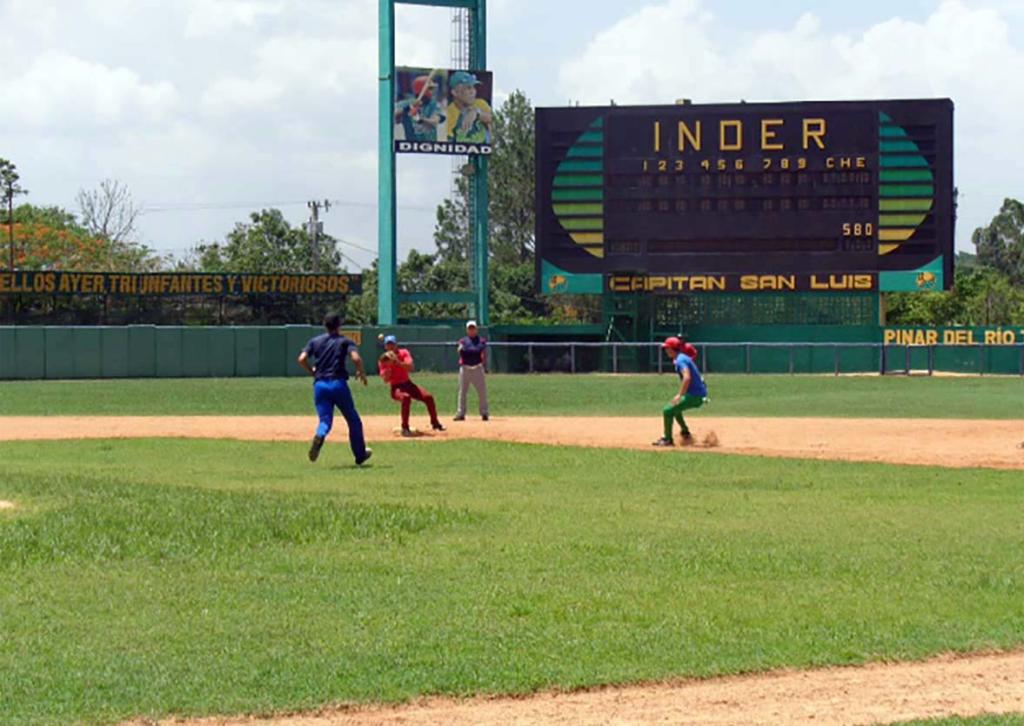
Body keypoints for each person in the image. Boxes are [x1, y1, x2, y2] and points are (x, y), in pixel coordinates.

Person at [297, 313, 372, 465]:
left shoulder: (315, 341)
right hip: (338, 384)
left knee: (325, 420)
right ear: (339, 326)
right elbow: (356, 358)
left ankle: (320, 434)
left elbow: (302, 359)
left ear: (325, 325)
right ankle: (360, 455)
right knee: (353, 420)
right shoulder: (345, 341)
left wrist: (312, 372)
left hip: (320, 385)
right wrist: (361, 371)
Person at [378, 334, 446, 436]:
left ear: (396, 345)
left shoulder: (403, 353)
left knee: (428, 397)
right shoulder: (383, 359)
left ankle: (435, 423)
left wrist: (397, 362)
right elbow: (386, 380)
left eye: (392, 344)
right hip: (396, 387)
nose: (390, 346)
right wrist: (389, 366)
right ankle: (405, 428)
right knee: (406, 398)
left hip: (408, 384)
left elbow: (410, 367)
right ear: (385, 347)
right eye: (388, 345)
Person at [653, 337, 708, 447]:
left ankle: (667, 439)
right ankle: (685, 432)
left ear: (672, 349)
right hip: (698, 394)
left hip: (695, 396)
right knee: (675, 408)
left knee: (667, 410)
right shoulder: (682, 358)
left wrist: (680, 394)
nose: (665, 351)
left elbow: (687, 377)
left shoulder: (680, 360)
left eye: (667, 348)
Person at [454, 320, 489, 421]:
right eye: (470, 328)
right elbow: (460, 349)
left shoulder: (481, 340)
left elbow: (477, 350)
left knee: (482, 392)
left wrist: (466, 350)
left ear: (476, 329)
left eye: (473, 328)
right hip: (465, 369)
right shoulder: (463, 340)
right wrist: (464, 349)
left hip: (477, 368)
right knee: (462, 392)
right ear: (467, 330)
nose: (471, 330)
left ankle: (484, 413)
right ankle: (461, 413)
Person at [394, 73, 444, 142]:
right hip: (411, 146)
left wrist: (420, 120)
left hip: (431, 146)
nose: (433, 92)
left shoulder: (434, 105)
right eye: (430, 89)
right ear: (422, 90)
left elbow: (434, 123)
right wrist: (408, 108)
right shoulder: (406, 103)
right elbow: (394, 119)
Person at [446, 71, 492, 144]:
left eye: (473, 87)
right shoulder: (449, 113)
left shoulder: (481, 103)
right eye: (468, 88)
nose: (473, 92)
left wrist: (477, 113)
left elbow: (495, 120)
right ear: (455, 92)